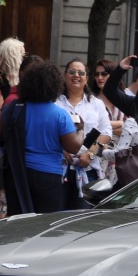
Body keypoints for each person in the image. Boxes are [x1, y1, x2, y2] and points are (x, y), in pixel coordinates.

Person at [0, 60, 83, 214]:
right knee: (43, 223)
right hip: (49, 176)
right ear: (55, 85)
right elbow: (74, 147)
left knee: (17, 219)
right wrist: (80, 130)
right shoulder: (60, 115)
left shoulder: (14, 107)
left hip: (18, 173)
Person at [57, 58, 112, 206]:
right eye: (72, 72)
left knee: (82, 216)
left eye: (81, 73)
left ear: (87, 79)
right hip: (59, 168)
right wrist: (61, 151)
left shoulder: (96, 104)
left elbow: (106, 131)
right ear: (64, 75)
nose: (76, 75)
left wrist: (90, 153)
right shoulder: (55, 102)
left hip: (88, 168)